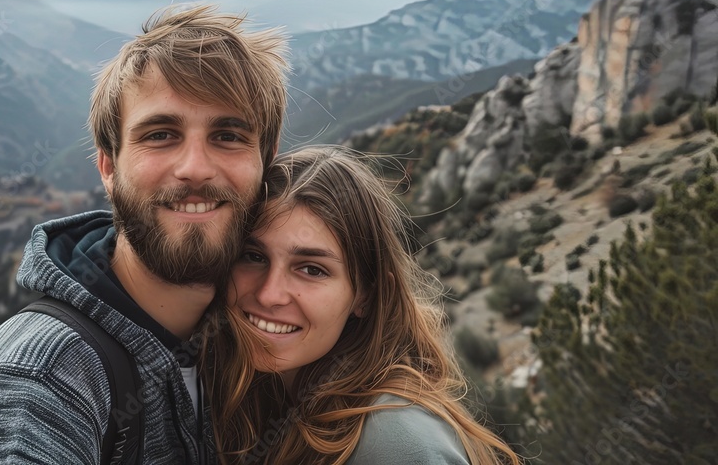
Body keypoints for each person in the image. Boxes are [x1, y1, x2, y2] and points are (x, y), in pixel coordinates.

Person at [0, 4, 289, 464]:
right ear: (108, 167)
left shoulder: (250, 337)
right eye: (161, 135)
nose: (195, 168)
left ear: (266, 161)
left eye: (229, 135)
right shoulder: (38, 383)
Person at [203, 146, 521, 465]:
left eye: (312, 269)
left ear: (365, 297)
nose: (269, 294)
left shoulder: (394, 444)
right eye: (254, 257)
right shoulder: (261, 400)